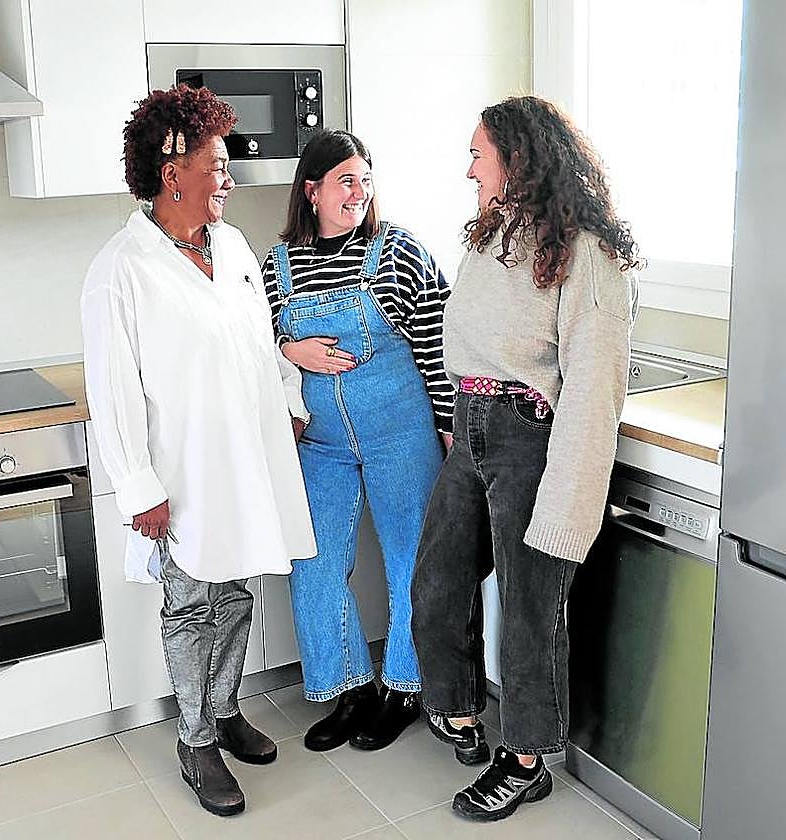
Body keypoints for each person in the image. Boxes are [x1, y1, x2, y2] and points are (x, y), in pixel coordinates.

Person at [80, 84, 317, 818]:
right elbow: (112, 388)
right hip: (180, 472)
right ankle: (194, 740)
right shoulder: (122, 268)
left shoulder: (234, 245)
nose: (230, 179)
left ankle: (222, 710)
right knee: (191, 605)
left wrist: (289, 401)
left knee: (239, 591)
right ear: (171, 169)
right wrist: (137, 485)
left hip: (245, 460)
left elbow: (257, 336)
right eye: (218, 165)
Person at [411, 95, 640, 822]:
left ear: (519, 157)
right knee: (437, 584)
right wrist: (455, 425)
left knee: (530, 613)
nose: (467, 167)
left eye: (478, 153)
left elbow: (595, 389)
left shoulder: (589, 257)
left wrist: (567, 511)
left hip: (531, 439)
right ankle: (459, 710)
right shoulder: (491, 235)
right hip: (470, 429)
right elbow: (469, 343)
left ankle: (527, 759)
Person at [263, 129, 455, 753]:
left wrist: (449, 426)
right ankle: (348, 687)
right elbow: (248, 349)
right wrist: (288, 348)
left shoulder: (398, 252)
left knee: (410, 562)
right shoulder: (276, 265)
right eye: (346, 180)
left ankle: (403, 687)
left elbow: (437, 344)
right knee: (314, 559)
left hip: (401, 431)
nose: (359, 193)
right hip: (318, 442)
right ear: (312, 189)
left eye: (366, 181)